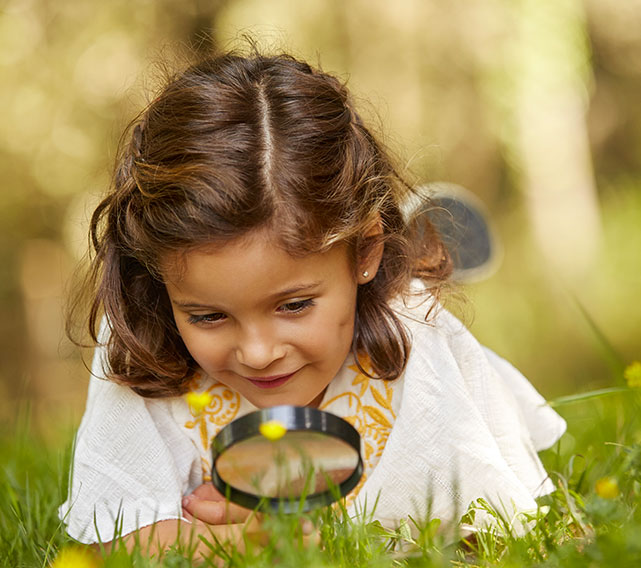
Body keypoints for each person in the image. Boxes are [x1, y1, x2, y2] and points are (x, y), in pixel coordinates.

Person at [60, 50, 566, 554]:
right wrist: (248, 542)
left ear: (366, 251)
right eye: (209, 316)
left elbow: (492, 525)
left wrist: (305, 537)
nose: (258, 353)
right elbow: (114, 537)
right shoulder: (141, 347)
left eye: (294, 305)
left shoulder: (416, 339)